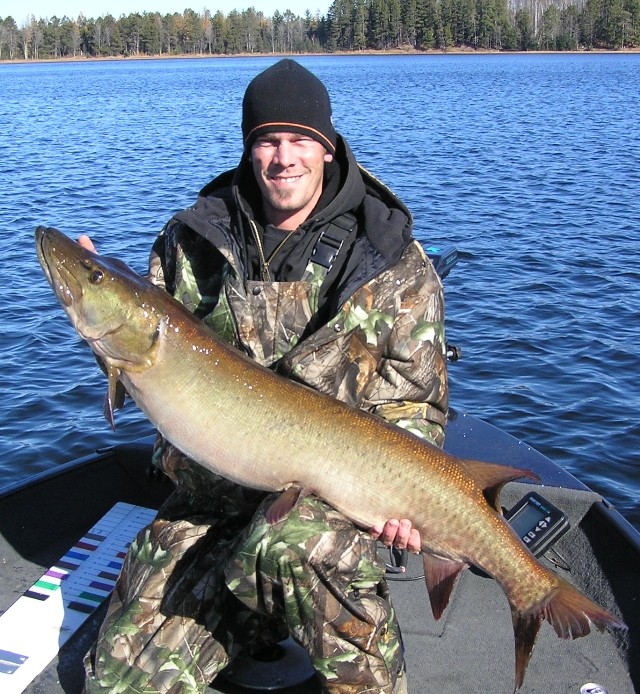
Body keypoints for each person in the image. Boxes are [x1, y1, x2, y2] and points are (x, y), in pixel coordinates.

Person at [82, 59, 449, 694]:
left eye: (300, 139)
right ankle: (247, 620)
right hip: (212, 504)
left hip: (323, 516)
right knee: (120, 682)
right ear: (250, 148)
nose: (284, 157)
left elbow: (416, 409)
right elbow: (149, 364)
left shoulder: (390, 262)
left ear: (327, 147)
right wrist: (98, 306)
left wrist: (408, 507)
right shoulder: (193, 239)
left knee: (296, 547)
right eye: (267, 140)